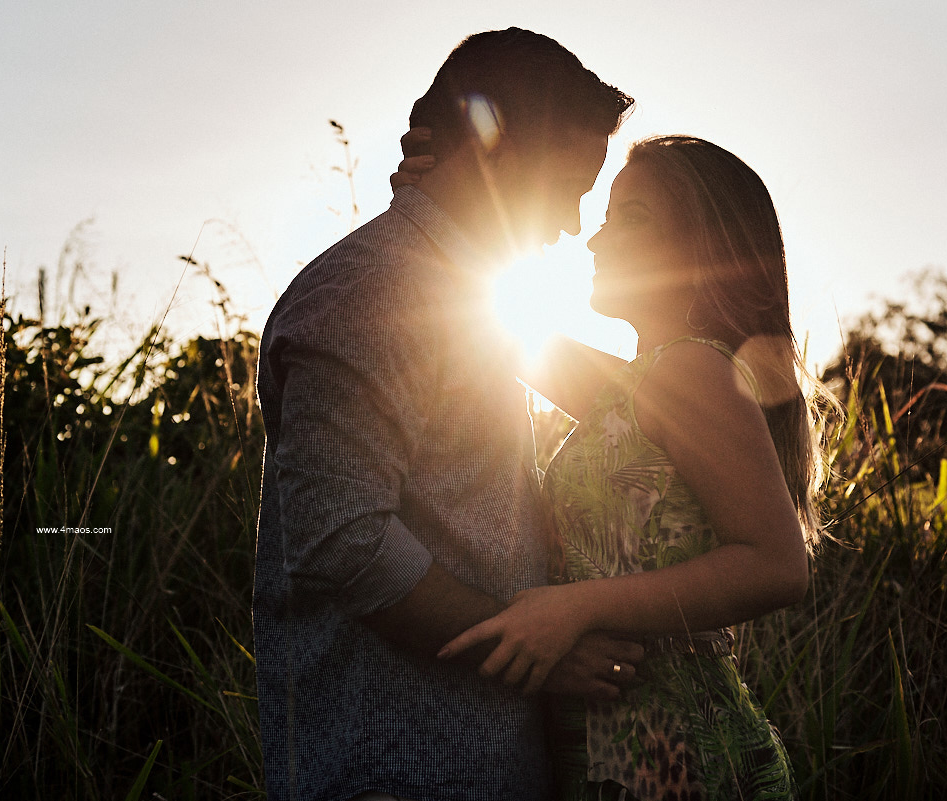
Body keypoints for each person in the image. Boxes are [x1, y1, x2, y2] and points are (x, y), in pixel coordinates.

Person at [253, 28, 646, 801]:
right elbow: (346, 543)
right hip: (394, 769)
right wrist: (533, 645)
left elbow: (623, 404)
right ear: (493, 142)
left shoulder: (457, 296)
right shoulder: (368, 292)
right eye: (564, 183)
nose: (571, 223)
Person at [398, 134, 825, 799]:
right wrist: (437, 198)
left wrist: (574, 607)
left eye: (632, 217)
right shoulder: (638, 384)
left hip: (682, 758)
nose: (596, 240)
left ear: (701, 247)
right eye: (605, 216)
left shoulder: (693, 369)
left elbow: (777, 563)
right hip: (625, 752)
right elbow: (499, 328)